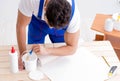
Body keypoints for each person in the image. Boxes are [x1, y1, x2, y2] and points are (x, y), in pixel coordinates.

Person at [16, 0, 80, 70]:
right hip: (37, 24)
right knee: (33, 53)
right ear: (45, 9)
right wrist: (23, 55)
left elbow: (72, 48)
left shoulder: (74, 17)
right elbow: (21, 26)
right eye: (50, 24)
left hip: (59, 27)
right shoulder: (31, 1)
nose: (50, 28)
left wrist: (47, 50)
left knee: (62, 57)